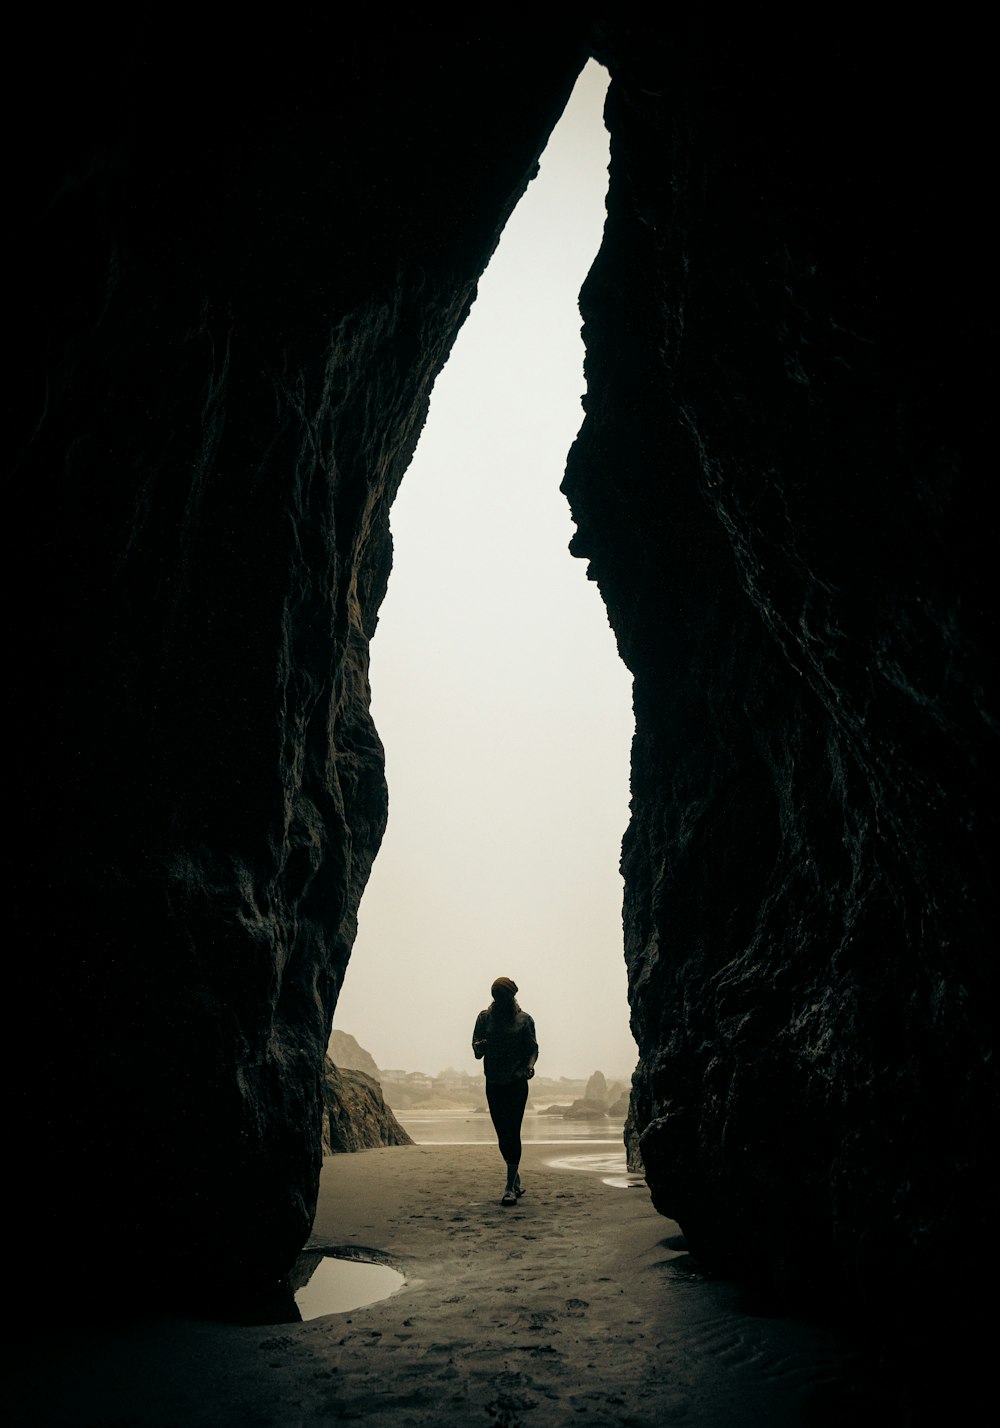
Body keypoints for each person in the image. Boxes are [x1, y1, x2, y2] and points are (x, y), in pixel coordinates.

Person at [472, 977, 538, 1205]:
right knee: (502, 1135)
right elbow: (476, 1051)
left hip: (517, 1083)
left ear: (511, 997)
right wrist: (480, 1047)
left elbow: (533, 1049)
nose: (500, 1002)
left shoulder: (524, 1020)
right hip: (494, 1082)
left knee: (513, 1131)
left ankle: (509, 1188)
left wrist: (530, 1066)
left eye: (504, 997)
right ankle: (515, 1177)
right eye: (496, 997)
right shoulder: (484, 1018)